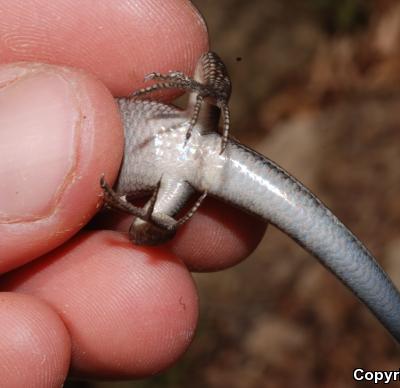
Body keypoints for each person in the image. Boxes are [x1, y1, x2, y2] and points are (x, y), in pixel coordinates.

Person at [0, 1, 265, 386]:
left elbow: (209, 60)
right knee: (142, 235)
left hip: (180, 145)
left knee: (202, 58)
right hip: (177, 167)